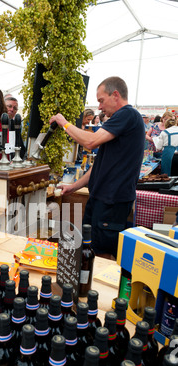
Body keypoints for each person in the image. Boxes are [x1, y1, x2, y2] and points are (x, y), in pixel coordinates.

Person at [50, 76, 145, 259]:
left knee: (102, 254)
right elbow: (99, 166)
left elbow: (91, 141)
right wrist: (73, 186)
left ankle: (98, 287)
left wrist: (64, 123)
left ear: (115, 95)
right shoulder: (118, 122)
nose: (99, 107)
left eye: (101, 100)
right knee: (90, 248)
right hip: (101, 199)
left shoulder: (127, 114)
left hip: (112, 200)